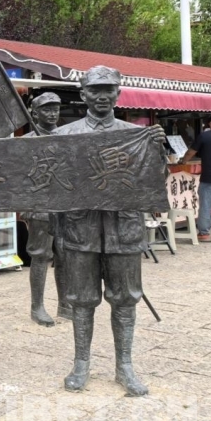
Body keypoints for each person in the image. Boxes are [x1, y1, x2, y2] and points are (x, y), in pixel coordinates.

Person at [52, 65, 166, 396]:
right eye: (94, 90)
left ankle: (124, 365)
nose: (101, 96)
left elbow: (154, 183)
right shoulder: (64, 135)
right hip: (81, 229)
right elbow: (51, 186)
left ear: (118, 93)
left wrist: (157, 152)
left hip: (123, 229)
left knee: (125, 299)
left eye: (108, 89)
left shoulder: (136, 135)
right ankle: (81, 363)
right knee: (82, 300)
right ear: (83, 94)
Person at [22, 92, 72, 326]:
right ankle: (37, 306)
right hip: (40, 206)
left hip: (65, 205)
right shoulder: (27, 140)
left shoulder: (67, 137)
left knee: (65, 253)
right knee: (41, 256)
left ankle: (65, 303)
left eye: (55, 109)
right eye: (46, 109)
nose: (52, 114)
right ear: (35, 113)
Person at [180, 113, 211, 242]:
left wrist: (183, 161)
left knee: (206, 205)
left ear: (210, 123)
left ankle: (204, 234)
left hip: (209, 177)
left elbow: (191, 152)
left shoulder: (204, 136)